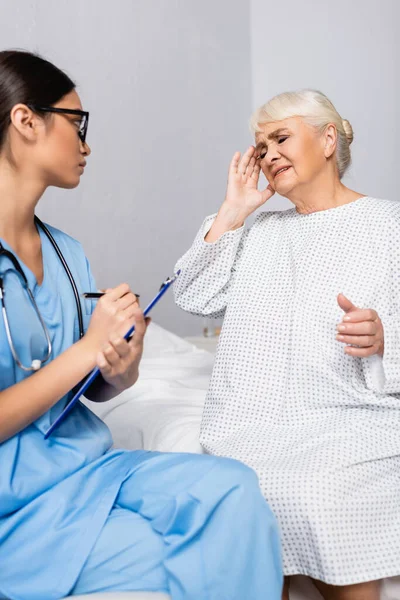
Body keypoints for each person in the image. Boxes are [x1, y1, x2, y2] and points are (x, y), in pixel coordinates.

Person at [0, 50, 282, 600]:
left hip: (90, 470)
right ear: (26, 121)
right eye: (77, 124)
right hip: (17, 509)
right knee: (212, 552)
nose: (87, 145)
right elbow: (76, 357)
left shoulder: (65, 253)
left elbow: (97, 386)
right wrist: (87, 349)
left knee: (233, 490)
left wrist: (118, 365)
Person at [174, 89, 400, 600]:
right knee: (243, 494)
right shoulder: (261, 231)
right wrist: (233, 211)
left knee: (321, 493)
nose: (269, 154)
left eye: (281, 138)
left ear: (326, 140)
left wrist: (386, 337)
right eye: (261, 147)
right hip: (252, 422)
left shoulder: (390, 224)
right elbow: (193, 295)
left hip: (354, 415)